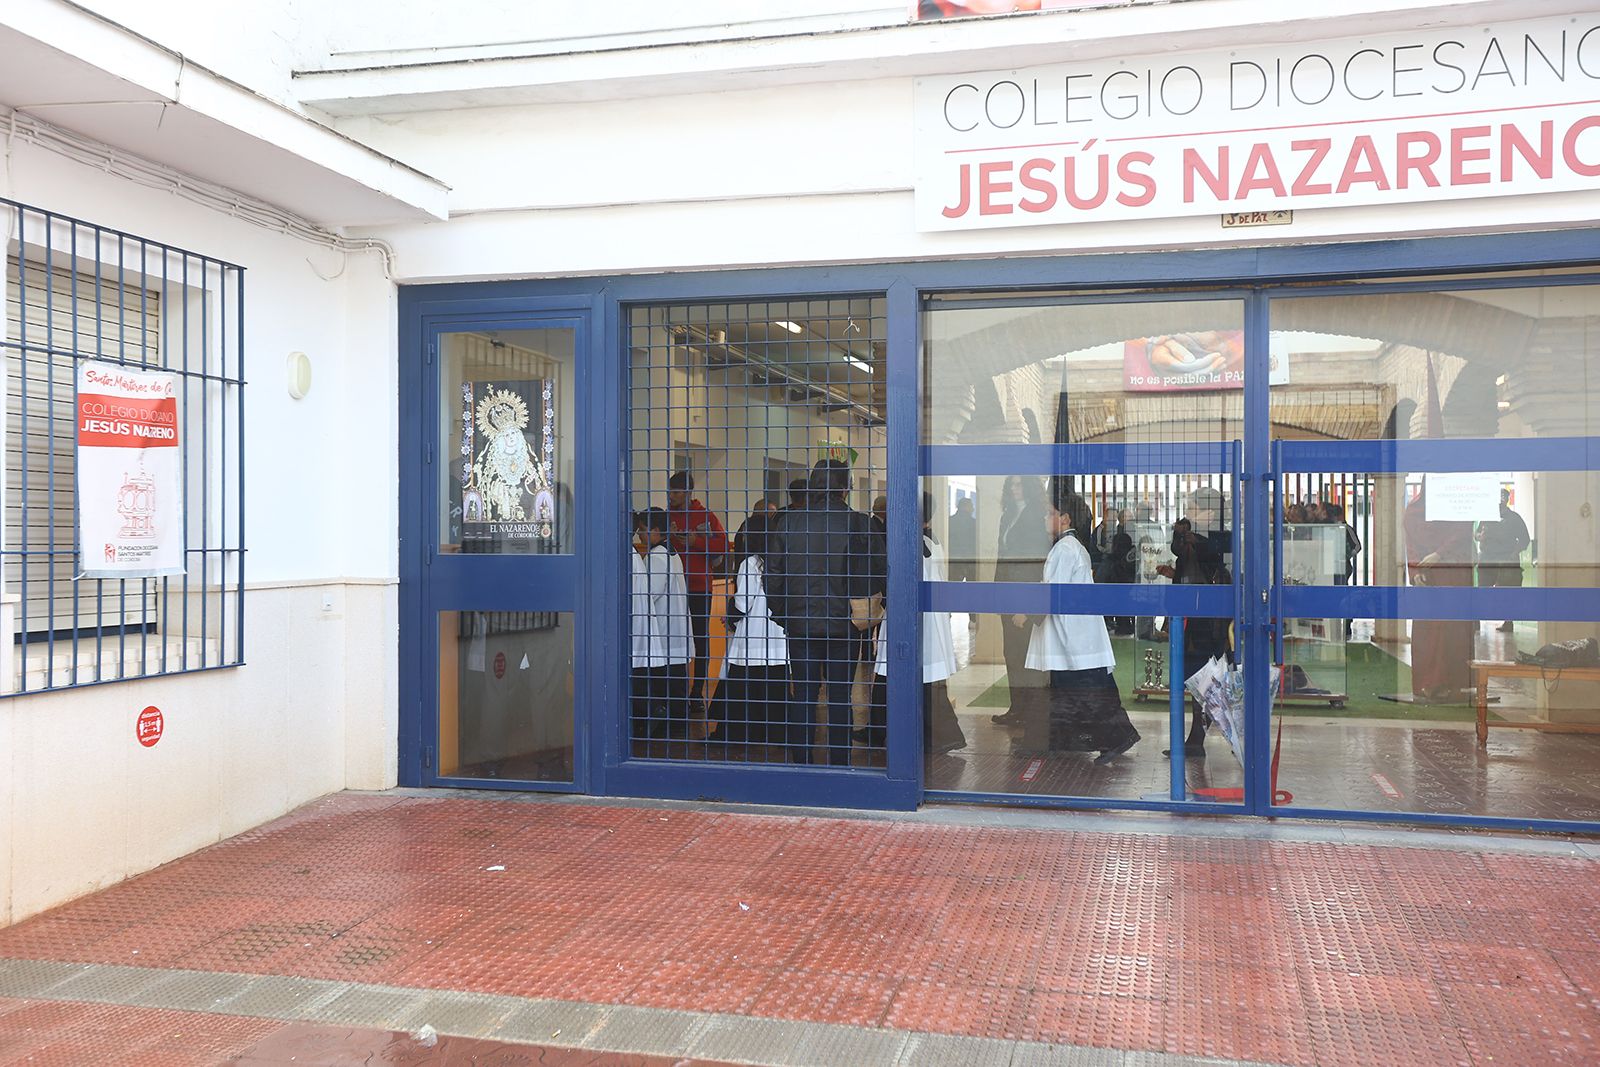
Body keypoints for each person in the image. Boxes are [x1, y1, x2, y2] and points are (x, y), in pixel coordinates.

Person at [765, 459, 885, 765]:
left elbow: (773, 575)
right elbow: (878, 571)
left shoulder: (788, 522)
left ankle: (802, 761)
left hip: (801, 625)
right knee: (839, 698)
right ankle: (839, 762)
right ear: (844, 488)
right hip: (845, 625)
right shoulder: (859, 522)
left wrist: (783, 614)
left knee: (804, 695)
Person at [1022, 486, 1140, 764]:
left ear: (1065, 519)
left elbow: (1053, 592)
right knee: (1071, 690)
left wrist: (1027, 615)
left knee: (1087, 691)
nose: (1044, 519)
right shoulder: (1073, 547)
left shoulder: (1064, 549)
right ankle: (1061, 739)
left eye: (1049, 514)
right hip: (1076, 632)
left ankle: (1117, 737)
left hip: (1074, 634)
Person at [870, 493, 965, 755]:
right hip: (929, 620)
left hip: (911, 619)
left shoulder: (908, 544)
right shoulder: (932, 542)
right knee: (922, 680)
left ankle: (893, 732)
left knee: (900, 676)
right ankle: (883, 730)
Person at [707, 513, 788, 756]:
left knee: (743, 693)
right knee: (775, 692)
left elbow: (743, 603)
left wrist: (731, 615)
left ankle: (737, 735)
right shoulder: (783, 560)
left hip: (752, 640)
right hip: (777, 638)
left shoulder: (749, 564)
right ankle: (777, 735)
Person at [1156, 515, 1231, 757]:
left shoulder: (1202, 548)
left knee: (1206, 682)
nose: (1178, 540)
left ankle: (1201, 736)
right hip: (1203, 627)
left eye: (1182, 534)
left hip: (1204, 629)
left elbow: (1188, 588)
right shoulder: (1195, 555)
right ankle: (1196, 738)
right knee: (1202, 682)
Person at [990, 475, 1052, 729]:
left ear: (1028, 486)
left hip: (1024, 597)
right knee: (1011, 653)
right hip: (1007, 593)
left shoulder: (1037, 516)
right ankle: (1016, 708)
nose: (1014, 489)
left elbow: (1035, 566)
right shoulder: (1008, 515)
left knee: (1026, 655)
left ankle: (1030, 712)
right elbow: (1002, 557)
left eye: (1018, 484)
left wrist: (1025, 606)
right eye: (1011, 485)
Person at [1404, 487, 1474, 702]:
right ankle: (1429, 682)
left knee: (1453, 629)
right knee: (1429, 631)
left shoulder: (1456, 507)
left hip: (1452, 574)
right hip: (1428, 578)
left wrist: (1439, 554)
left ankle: (1453, 681)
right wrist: (1415, 571)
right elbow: (1411, 545)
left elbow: (1462, 533)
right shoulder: (1414, 510)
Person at [630, 508, 692, 747]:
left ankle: (665, 721)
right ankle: (676, 721)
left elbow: (650, 592)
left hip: (664, 628)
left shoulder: (656, 557)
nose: (640, 537)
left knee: (664, 682)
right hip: (674, 627)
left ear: (656, 531)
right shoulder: (671, 552)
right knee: (676, 680)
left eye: (644, 532)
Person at [666, 472, 728, 704]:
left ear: (688, 492)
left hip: (699, 586)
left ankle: (696, 693)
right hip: (673, 588)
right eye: (670, 491)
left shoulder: (705, 516)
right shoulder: (667, 516)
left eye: (676, 492)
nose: (672, 496)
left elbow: (722, 545)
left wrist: (696, 542)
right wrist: (669, 536)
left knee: (701, 638)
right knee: (676, 637)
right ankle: (677, 692)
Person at [1477, 487, 1530, 632]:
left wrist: (1515, 552)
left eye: (1503, 498)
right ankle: (1475, 621)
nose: (1500, 502)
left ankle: (1508, 622)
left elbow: (1525, 539)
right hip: (1487, 559)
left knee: (1509, 594)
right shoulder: (1486, 516)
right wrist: (1479, 536)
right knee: (1481, 592)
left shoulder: (1514, 518)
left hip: (1507, 560)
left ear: (1507, 500)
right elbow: (1477, 534)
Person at [947, 497, 977, 583]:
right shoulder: (974, 523)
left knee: (953, 587)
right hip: (970, 560)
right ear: (966, 507)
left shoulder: (949, 521)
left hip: (954, 561)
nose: (973, 509)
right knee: (972, 588)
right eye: (971, 506)